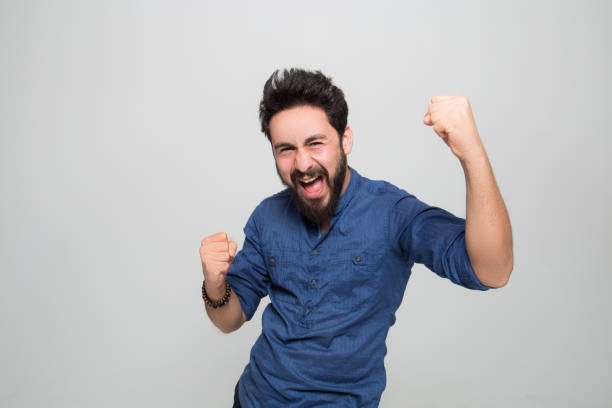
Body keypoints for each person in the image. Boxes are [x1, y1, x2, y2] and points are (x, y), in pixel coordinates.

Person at [199, 68, 513, 407]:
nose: (303, 163)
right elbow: (230, 319)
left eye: (315, 143)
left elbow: (492, 271)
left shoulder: (392, 212)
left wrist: (472, 155)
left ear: (345, 139)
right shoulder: (267, 216)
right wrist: (215, 286)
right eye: (286, 149)